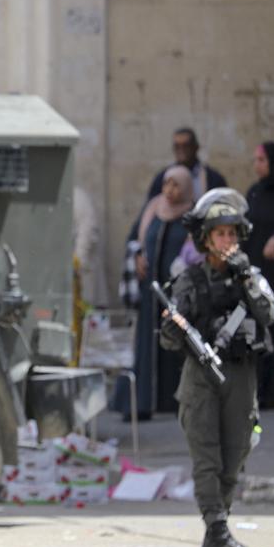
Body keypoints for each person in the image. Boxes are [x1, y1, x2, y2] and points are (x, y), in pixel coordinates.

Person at [160, 188, 274, 547]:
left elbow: (269, 314)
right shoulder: (190, 280)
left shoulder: (251, 277)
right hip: (201, 377)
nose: (226, 240)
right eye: (219, 233)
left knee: (235, 453)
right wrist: (173, 329)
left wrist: (247, 279)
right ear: (206, 239)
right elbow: (168, 338)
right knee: (206, 457)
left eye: (231, 233)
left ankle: (216, 536)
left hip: (240, 377)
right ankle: (218, 531)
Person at [115, 166, 194, 419]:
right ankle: (141, 403)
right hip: (150, 292)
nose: (170, 191)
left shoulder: (193, 215)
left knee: (175, 341)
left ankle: (172, 402)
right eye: (166, 184)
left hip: (177, 292)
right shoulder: (153, 209)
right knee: (146, 344)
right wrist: (137, 255)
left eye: (176, 185)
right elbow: (135, 238)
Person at [243, 143, 274, 408]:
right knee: (258, 329)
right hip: (256, 270)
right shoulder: (254, 192)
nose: (257, 165)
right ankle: (262, 390)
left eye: (262, 160)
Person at [145, 128, 227, 202]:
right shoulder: (163, 177)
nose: (181, 151)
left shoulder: (213, 178)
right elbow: (151, 205)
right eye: (177, 147)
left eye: (186, 146)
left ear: (196, 147)